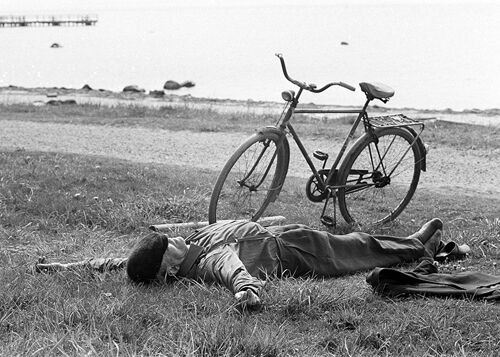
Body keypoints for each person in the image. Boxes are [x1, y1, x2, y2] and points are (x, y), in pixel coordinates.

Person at [35, 218, 444, 309]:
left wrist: (62, 266)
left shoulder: (187, 246)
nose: (175, 239)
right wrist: (247, 291)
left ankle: (418, 245)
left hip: (285, 235)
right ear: (168, 270)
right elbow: (233, 268)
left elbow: (111, 261)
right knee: (357, 247)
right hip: (297, 251)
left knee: (356, 241)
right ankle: (416, 246)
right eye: (169, 246)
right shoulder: (205, 260)